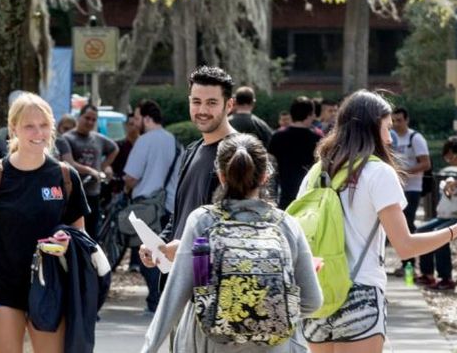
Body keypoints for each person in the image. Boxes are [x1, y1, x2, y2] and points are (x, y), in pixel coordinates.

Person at [299, 90, 457, 353]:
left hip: (318, 293)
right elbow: (406, 246)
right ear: (372, 128)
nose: (390, 138)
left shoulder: (317, 172)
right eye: (386, 128)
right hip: (360, 291)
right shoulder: (377, 172)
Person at [141, 133, 323, 352]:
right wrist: (268, 308)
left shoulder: (203, 221)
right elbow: (312, 300)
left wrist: (149, 347)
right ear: (265, 176)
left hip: (208, 343)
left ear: (220, 175)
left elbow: (176, 294)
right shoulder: (286, 225)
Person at [0, 92, 90, 353]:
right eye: (29, 126)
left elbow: (79, 234)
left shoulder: (65, 176)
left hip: (51, 287)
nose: (38, 132)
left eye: (44, 125)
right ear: (13, 128)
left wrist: (66, 241)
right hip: (2, 290)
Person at [140, 66, 237, 282]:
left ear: (229, 105)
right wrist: (159, 244)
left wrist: (187, 248)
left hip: (215, 285)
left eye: (212, 102)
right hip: (180, 280)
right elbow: (180, 213)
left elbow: (243, 226)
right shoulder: (192, 150)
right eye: (196, 102)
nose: (202, 109)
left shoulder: (239, 154)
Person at [123, 99, 180, 313]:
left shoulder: (144, 141)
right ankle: (163, 298)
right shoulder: (174, 140)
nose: (135, 122)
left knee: (148, 253)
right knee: (164, 252)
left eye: (137, 118)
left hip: (146, 206)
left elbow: (131, 176)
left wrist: (127, 188)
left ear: (147, 118)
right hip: (169, 205)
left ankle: (156, 299)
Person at [414, 137, 457, 291]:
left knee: (440, 233)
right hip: (450, 213)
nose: (451, 162)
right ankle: (427, 274)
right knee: (421, 230)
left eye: (452, 158)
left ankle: (446, 277)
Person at [62, 105, 119, 236]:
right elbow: (69, 163)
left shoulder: (98, 138)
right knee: (74, 236)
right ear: (79, 117)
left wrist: (103, 166)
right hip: (73, 194)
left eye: (94, 119)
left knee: (92, 237)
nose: (90, 122)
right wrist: (91, 171)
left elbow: (114, 149)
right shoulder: (67, 138)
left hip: (93, 194)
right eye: (87, 118)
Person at [389, 107, 430, 275]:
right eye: (394, 120)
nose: (397, 124)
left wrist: (405, 173)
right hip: (395, 188)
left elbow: (426, 163)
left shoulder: (415, 138)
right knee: (396, 225)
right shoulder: (390, 137)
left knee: (408, 224)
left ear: (407, 120)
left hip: (412, 188)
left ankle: (410, 266)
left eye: (400, 120)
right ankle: (405, 263)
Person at [269, 97, 322, 209]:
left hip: (284, 195)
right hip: (310, 197)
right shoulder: (317, 139)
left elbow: (271, 167)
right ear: (309, 115)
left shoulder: (277, 137)